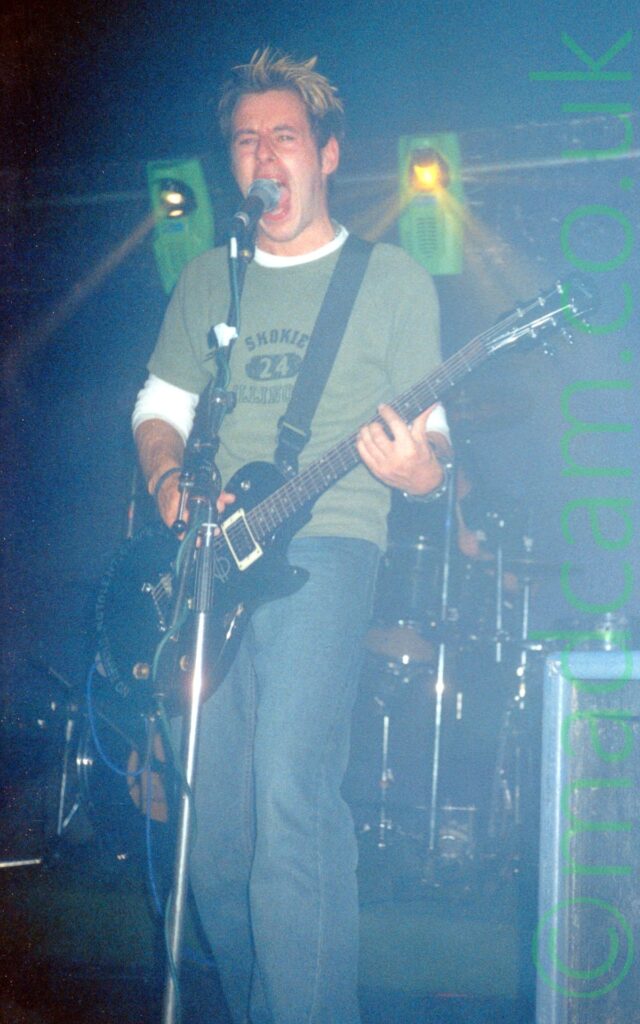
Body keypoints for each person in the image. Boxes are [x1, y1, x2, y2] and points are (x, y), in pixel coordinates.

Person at [132, 48, 450, 1024]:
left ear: (325, 154)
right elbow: (157, 406)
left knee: (290, 801)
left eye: (282, 136)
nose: (261, 153)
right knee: (216, 838)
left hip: (329, 543)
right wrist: (168, 478)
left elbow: (432, 453)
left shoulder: (389, 279)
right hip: (209, 570)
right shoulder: (205, 284)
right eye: (243, 139)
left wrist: (415, 472)